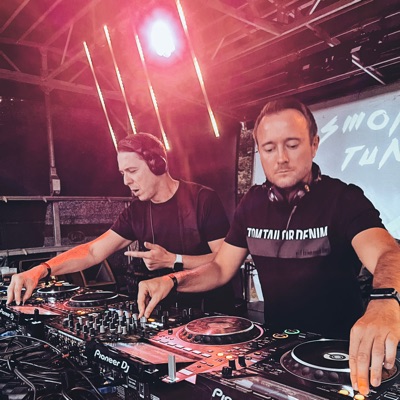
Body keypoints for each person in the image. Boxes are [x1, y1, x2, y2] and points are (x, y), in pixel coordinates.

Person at [136, 98, 400, 397]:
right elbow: (221, 268)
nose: (281, 158)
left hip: (339, 356)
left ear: (314, 145)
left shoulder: (343, 199)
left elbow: (388, 253)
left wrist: (385, 302)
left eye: (292, 145)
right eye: (269, 148)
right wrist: (173, 280)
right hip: (278, 351)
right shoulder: (252, 204)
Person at [6, 132, 236, 314]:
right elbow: (92, 252)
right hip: (163, 312)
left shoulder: (203, 200)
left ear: (157, 164)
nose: (126, 181)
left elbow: (225, 261)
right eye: (122, 173)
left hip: (211, 315)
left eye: (132, 170)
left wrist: (174, 260)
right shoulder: (136, 211)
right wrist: (40, 270)